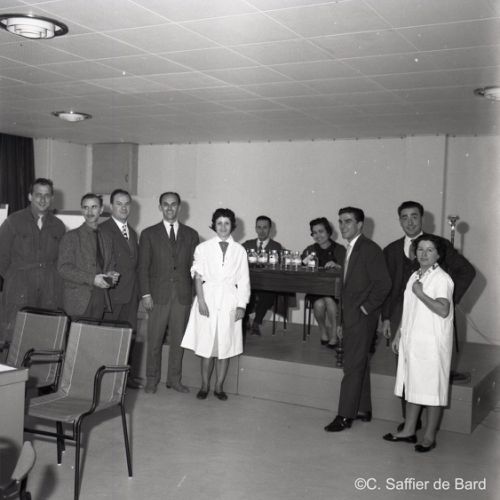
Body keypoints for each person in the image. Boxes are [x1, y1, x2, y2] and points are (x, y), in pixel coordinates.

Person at [381, 201, 475, 429]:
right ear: (399, 220)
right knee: (405, 368)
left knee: (429, 372)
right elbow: (387, 287)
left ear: (422, 218)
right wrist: (386, 317)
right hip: (402, 315)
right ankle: (409, 423)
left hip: (431, 317)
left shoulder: (439, 245)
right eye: (404, 217)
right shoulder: (391, 250)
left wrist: (447, 301)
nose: (410, 222)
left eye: (414, 216)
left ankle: (424, 426)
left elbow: (467, 271)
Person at [383, 235, 454, 452]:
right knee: (413, 385)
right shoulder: (414, 275)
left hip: (432, 344)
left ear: (438, 255)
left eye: (429, 250)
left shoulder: (442, 279)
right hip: (412, 341)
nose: (423, 254)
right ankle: (408, 430)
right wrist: (399, 334)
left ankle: (429, 437)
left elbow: (443, 309)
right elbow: (409, 309)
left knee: (432, 391)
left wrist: (421, 293)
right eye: (420, 249)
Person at [325, 207, 391, 432]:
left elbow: (384, 284)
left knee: (351, 365)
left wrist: (365, 309)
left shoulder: (370, 249)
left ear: (360, 225)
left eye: (348, 221)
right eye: (340, 221)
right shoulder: (349, 249)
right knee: (359, 362)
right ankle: (363, 408)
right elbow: (347, 289)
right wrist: (342, 321)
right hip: (351, 316)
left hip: (362, 317)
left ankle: (344, 415)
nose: (343, 226)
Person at [181, 208, 250, 401]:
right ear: (214, 225)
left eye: (227, 223)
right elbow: (197, 276)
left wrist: (241, 305)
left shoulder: (240, 250)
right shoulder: (203, 248)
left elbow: (244, 280)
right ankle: (204, 385)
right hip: (208, 298)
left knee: (224, 348)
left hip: (229, 300)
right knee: (207, 347)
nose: (223, 227)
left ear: (232, 226)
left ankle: (219, 387)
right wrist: (201, 301)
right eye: (219, 223)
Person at [139, 192, 199, 395]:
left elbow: (195, 268)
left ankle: (174, 379)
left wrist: (194, 294)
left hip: (182, 296)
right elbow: (143, 267)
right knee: (154, 340)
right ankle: (152, 379)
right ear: (160, 207)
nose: (170, 208)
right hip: (157, 295)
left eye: (174, 204)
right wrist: (145, 294)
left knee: (178, 341)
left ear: (180, 207)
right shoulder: (148, 234)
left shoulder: (191, 234)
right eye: (166, 204)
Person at [0, 178, 66, 346]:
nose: (43, 199)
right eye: (38, 195)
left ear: (52, 198)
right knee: (15, 338)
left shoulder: (58, 226)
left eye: (47, 195)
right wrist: (15, 279)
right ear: (30, 196)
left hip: (49, 290)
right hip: (19, 288)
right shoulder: (13, 222)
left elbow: (61, 260)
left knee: (44, 337)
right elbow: (2, 257)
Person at [100, 189, 143, 389]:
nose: (123, 207)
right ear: (111, 206)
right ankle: (108, 379)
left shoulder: (132, 232)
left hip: (131, 295)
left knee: (128, 337)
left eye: (126, 204)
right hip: (112, 295)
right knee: (109, 338)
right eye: (119, 203)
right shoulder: (103, 230)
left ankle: (125, 376)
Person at [58, 193, 119, 320]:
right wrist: (92, 279)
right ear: (82, 210)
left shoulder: (107, 237)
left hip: (100, 298)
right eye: (85, 207)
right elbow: (63, 268)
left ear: (101, 210)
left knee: (93, 333)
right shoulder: (71, 237)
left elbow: (109, 266)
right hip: (77, 302)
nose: (89, 212)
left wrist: (111, 275)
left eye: (94, 207)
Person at [301, 217, 345, 348]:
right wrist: (305, 262)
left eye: (321, 231)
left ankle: (334, 335)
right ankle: (323, 330)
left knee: (329, 301)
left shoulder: (340, 249)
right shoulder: (310, 249)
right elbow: (301, 265)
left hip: (335, 290)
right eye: (314, 233)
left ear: (328, 232)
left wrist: (338, 266)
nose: (317, 235)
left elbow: (348, 270)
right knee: (319, 304)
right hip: (316, 288)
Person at [242, 215, 283, 336]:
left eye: (265, 227)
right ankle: (245, 321)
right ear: (255, 228)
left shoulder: (276, 247)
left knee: (268, 294)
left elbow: (278, 267)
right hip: (249, 282)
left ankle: (256, 322)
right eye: (259, 227)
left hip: (266, 283)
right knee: (245, 292)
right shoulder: (247, 244)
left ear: (270, 229)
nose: (261, 231)